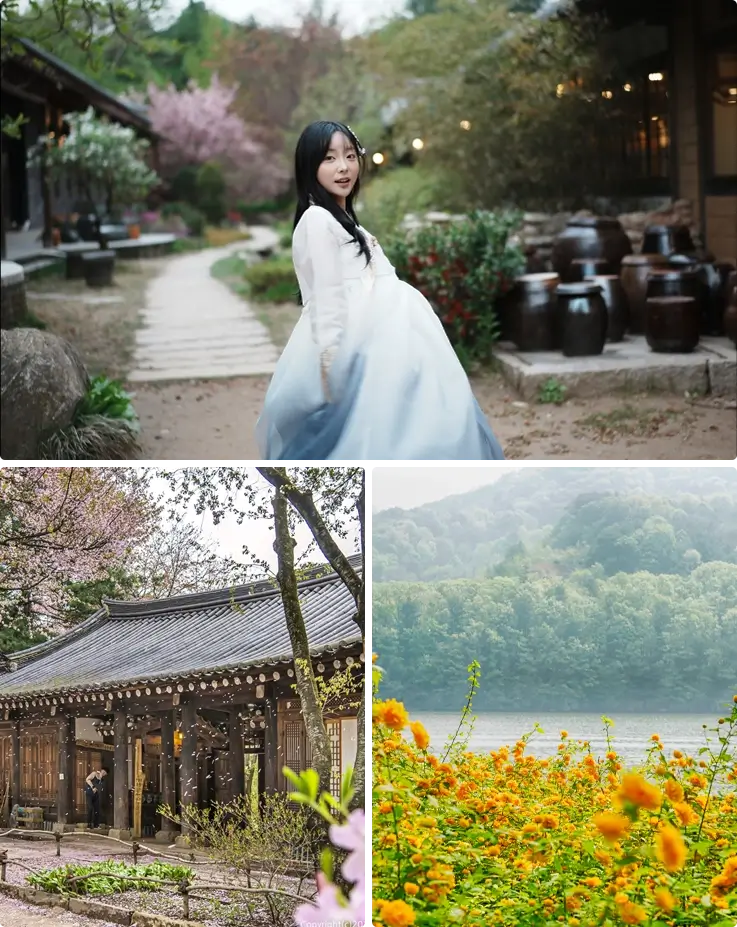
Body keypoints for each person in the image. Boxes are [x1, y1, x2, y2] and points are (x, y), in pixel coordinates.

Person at [256, 120, 505, 464]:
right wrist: (330, 362)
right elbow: (327, 296)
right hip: (362, 342)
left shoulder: (343, 219)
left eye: (349, 156)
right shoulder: (317, 219)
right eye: (329, 158)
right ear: (309, 166)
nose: (343, 167)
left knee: (408, 424)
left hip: (391, 336)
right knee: (375, 432)